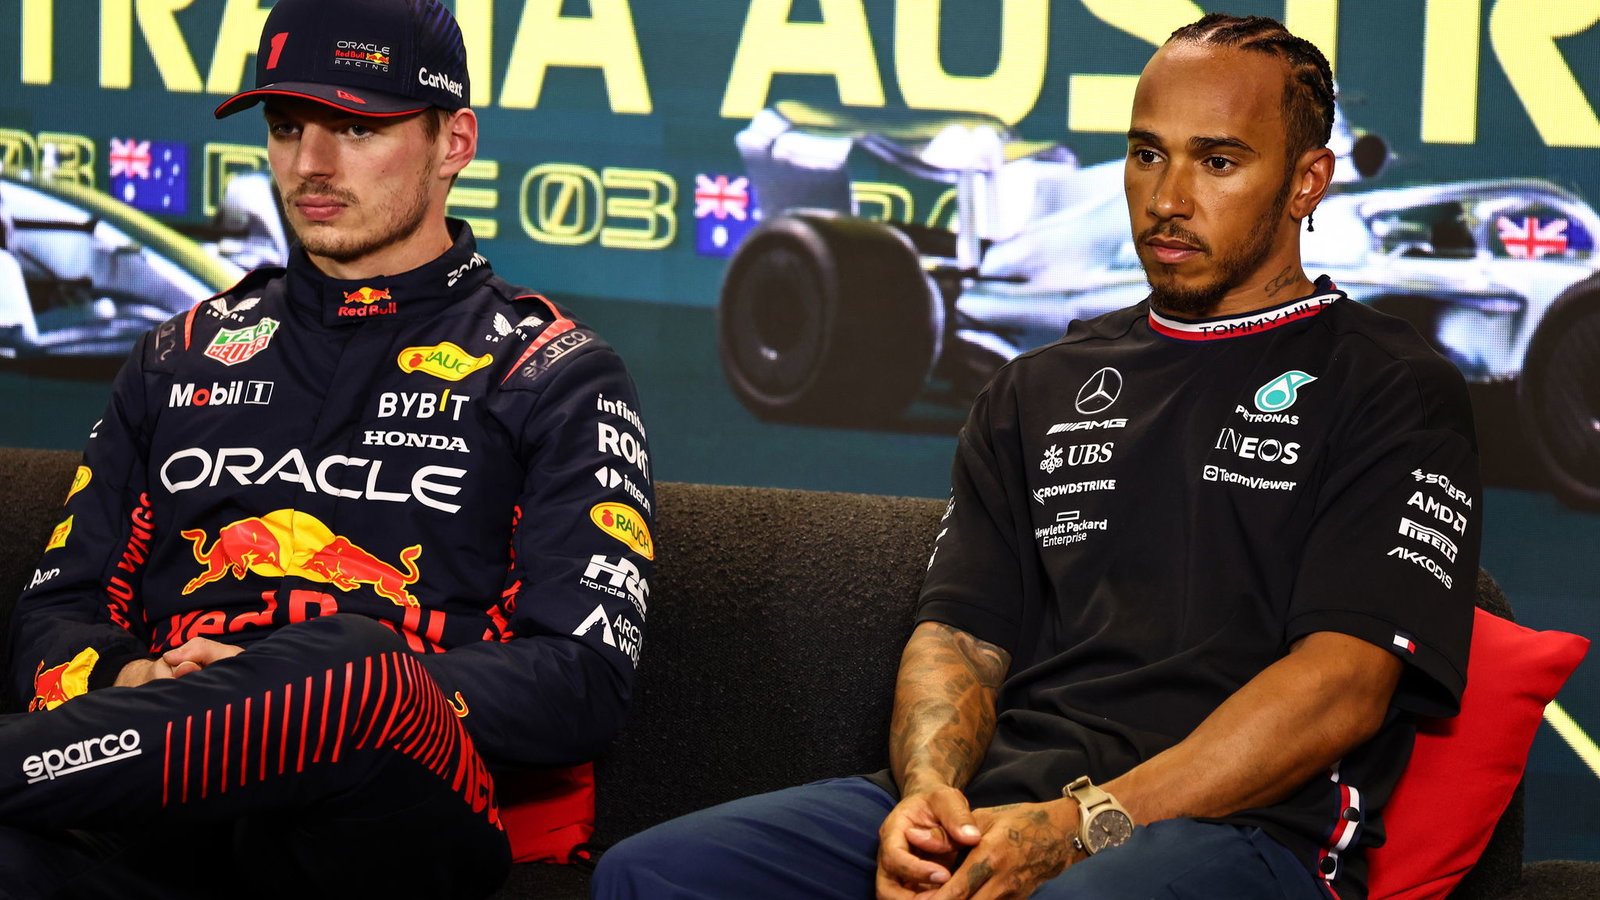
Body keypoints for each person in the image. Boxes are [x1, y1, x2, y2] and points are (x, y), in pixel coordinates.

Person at [592, 13, 1479, 900]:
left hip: (1239, 834)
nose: (1168, 197)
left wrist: (1080, 827)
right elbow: (961, 637)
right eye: (1147, 154)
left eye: (1217, 162)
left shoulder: (1390, 385)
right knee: (653, 875)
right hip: (1001, 806)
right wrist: (928, 799)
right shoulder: (1038, 385)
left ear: (1306, 182)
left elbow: (1343, 687)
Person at [1, 0, 652, 896]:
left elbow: (580, 682)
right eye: (286, 127)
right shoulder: (178, 356)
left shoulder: (553, 372)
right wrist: (138, 675)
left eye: (356, 127)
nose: (310, 163)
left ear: (455, 142)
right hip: (159, 809)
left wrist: (288, 696)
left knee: (355, 667)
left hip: (389, 815)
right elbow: (56, 613)